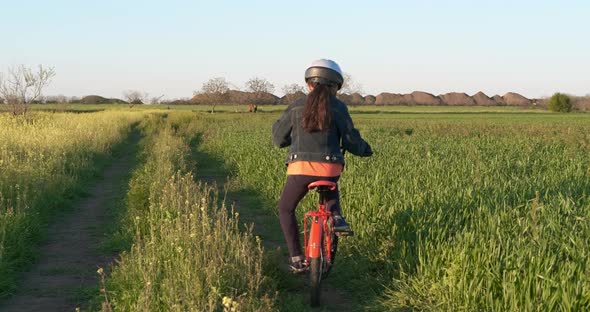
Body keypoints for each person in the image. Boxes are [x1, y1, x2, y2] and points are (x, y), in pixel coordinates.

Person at [272, 59, 373, 273]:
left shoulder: (296, 105)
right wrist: (365, 150)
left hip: (300, 169)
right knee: (330, 191)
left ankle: (297, 258)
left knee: (285, 208)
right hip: (329, 169)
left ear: (309, 84)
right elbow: (351, 141)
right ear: (336, 86)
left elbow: (279, 139)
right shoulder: (339, 107)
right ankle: (335, 216)